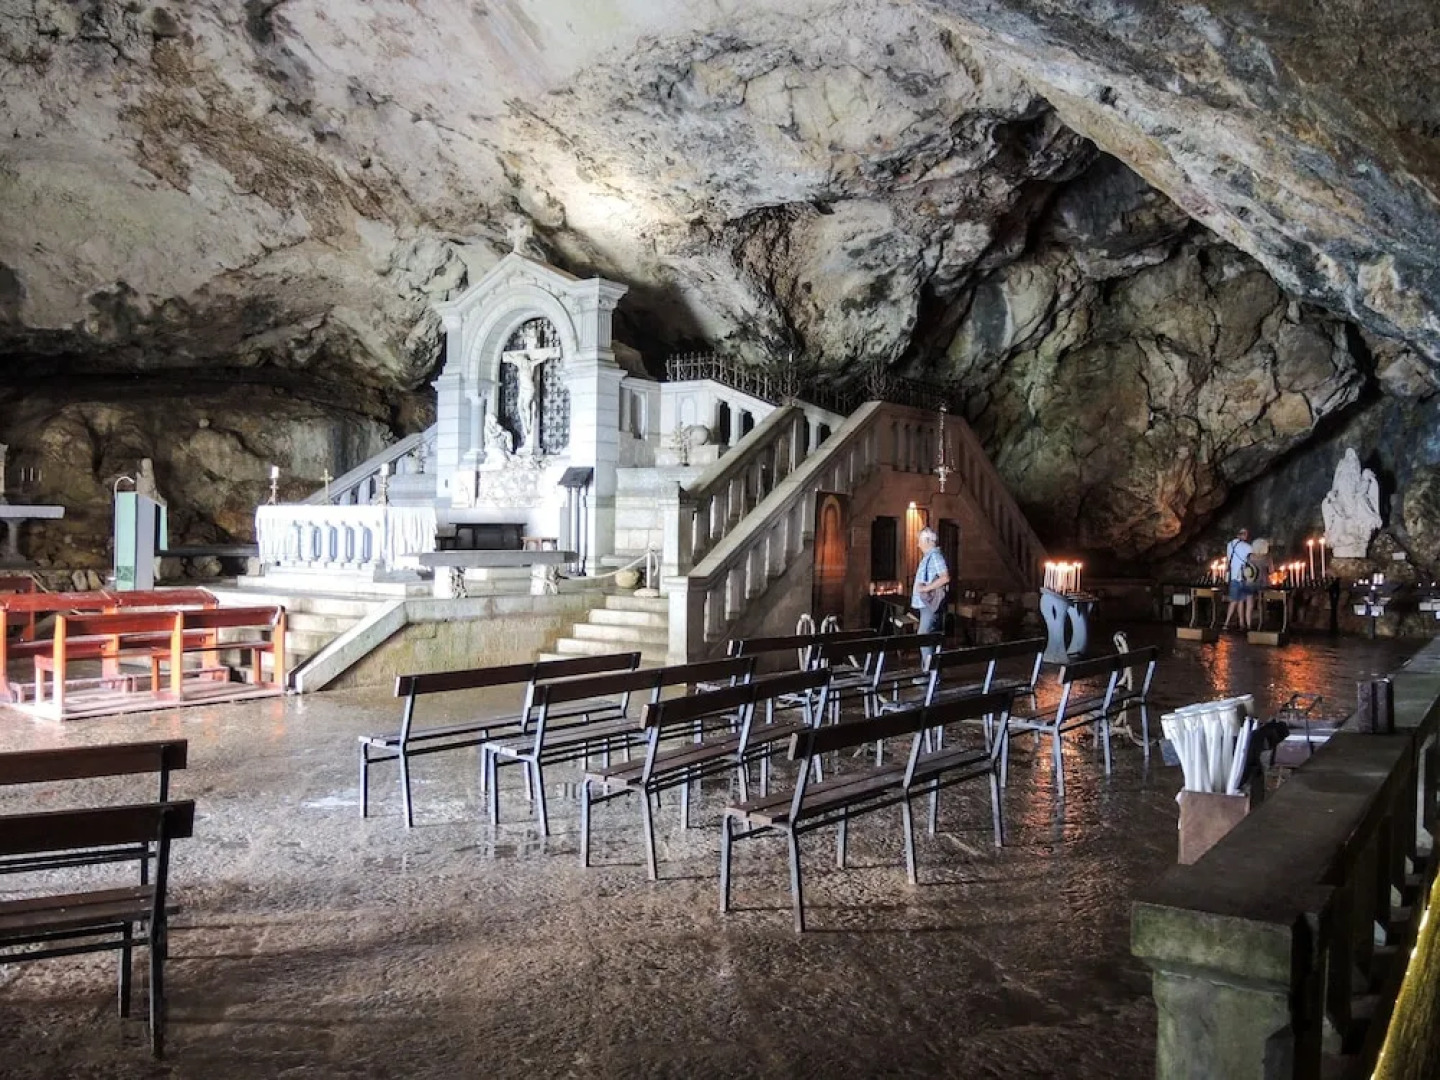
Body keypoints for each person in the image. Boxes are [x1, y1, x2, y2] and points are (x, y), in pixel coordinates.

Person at [911, 526, 950, 664]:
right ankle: (929, 673)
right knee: (926, 638)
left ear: (927, 541)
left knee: (924, 637)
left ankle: (929, 675)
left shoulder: (935, 556)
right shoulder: (929, 557)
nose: (918, 544)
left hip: (929, 605)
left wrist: (926, 588)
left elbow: (945, 577)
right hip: (925, 605)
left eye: (920, 541)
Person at [1222, 527, 1256, 630]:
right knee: (1235, 600)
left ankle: (1241, 623)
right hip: (1243, 576)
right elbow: (1253, 559)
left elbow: (1228, 560)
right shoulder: (1247, 547)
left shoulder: (1229, 545)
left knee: (1239, 600)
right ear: (1244, 535)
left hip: (1233, 576)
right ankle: (1226, 623)